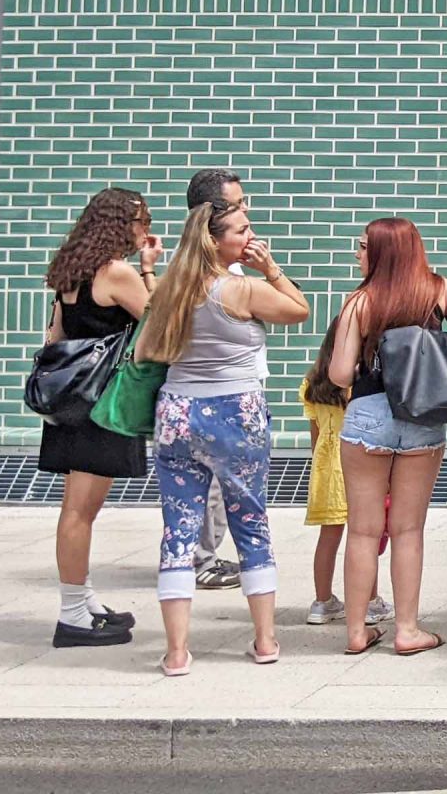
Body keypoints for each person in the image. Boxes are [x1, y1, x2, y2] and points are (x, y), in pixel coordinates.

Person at [137, 200, 312, 675]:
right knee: (250, 522)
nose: (250, 236)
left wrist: (151, 275)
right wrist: (271, 268)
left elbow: (147, 345)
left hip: (177, 412)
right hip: (236, 412)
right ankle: (266, 639)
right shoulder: (242, 289)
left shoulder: (170, 288)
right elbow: (299, 309)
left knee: (178, 531)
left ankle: (176, 653)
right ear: (216, 241)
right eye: (242, 230)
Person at [327, 217, 447, 657]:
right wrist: (441, 359)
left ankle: (356, 633)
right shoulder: (436, 290)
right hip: (421, 414)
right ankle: (407, 630)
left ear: (379, 252)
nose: (356, 252)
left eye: (362, 245)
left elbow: (341, 373)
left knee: (363, 531)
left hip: (367, 415)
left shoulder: (360, 301)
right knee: (407, 529)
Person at [39, 187, 159, 647]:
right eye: (141, 221)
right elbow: (158, 321)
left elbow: (55, 336)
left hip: (72, 399)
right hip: (102, 402)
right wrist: (149, 270)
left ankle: (83, 601)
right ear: (120, 225)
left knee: (77, 508)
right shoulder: (116, 272)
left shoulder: (71, 271)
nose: (146, 230)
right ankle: (72, 615)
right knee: (79, 511)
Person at [297, 323, 389, 628]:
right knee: (364, 537)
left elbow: (316, 435)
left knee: (328, 539)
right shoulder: (358, 384)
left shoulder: (311, 384)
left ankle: (322, 603)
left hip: (325, 473)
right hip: (358, 467)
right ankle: (370, 602)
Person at [185, 167, 248, 593]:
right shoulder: (204, 273)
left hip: (203, 397)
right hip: (214, 398)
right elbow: (293, 308)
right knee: (210, 486)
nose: (247, 214)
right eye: (240, 206)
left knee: (210, 488)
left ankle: (197, 556)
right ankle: (200, 559)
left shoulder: (212, 269)